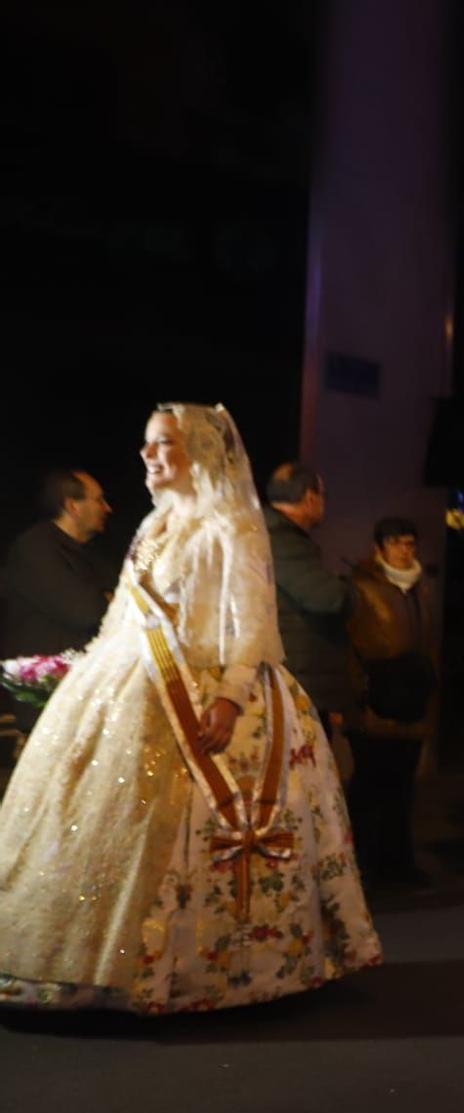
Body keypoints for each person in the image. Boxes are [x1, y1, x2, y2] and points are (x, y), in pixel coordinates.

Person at [0, 403, 379, 1011]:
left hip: (217, 693)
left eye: (164, 444)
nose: (148, 456)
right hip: (132, 682)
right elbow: (123, 612)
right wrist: (87, 676)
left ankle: (209, 971)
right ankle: (78, 966)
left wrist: (230, 698)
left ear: (201, 450)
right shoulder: (153, 526)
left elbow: (251, 619)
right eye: (147, 445)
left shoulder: (233, 524)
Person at [346, 516, 436, 885]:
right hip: (376, 700)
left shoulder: (419, 588)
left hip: (411, 698)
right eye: (398, 543)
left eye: (410, 543)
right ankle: (365, 864)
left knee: (402, 786)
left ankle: (398, 863)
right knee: (372, 785)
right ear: (379, 547)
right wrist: (356, 698)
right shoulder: (363, 586)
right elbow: (350, 647)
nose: (405, 551)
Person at [3, 467, 118, 732]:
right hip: (49, 703)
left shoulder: (93, 557)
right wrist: (108, 599)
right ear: (72, 506)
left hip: (85, 694)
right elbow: (88, 611)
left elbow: (124, 605)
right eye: (98, 500)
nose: (107, 508)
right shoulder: (35, 548)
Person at [263, 463, 351, 743]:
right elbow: (329, 598)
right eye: (323, 495)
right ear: (310, 497)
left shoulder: (274, 535)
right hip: (298, 683)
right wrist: (352, 592)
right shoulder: (282, 540)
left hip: (296, 680)